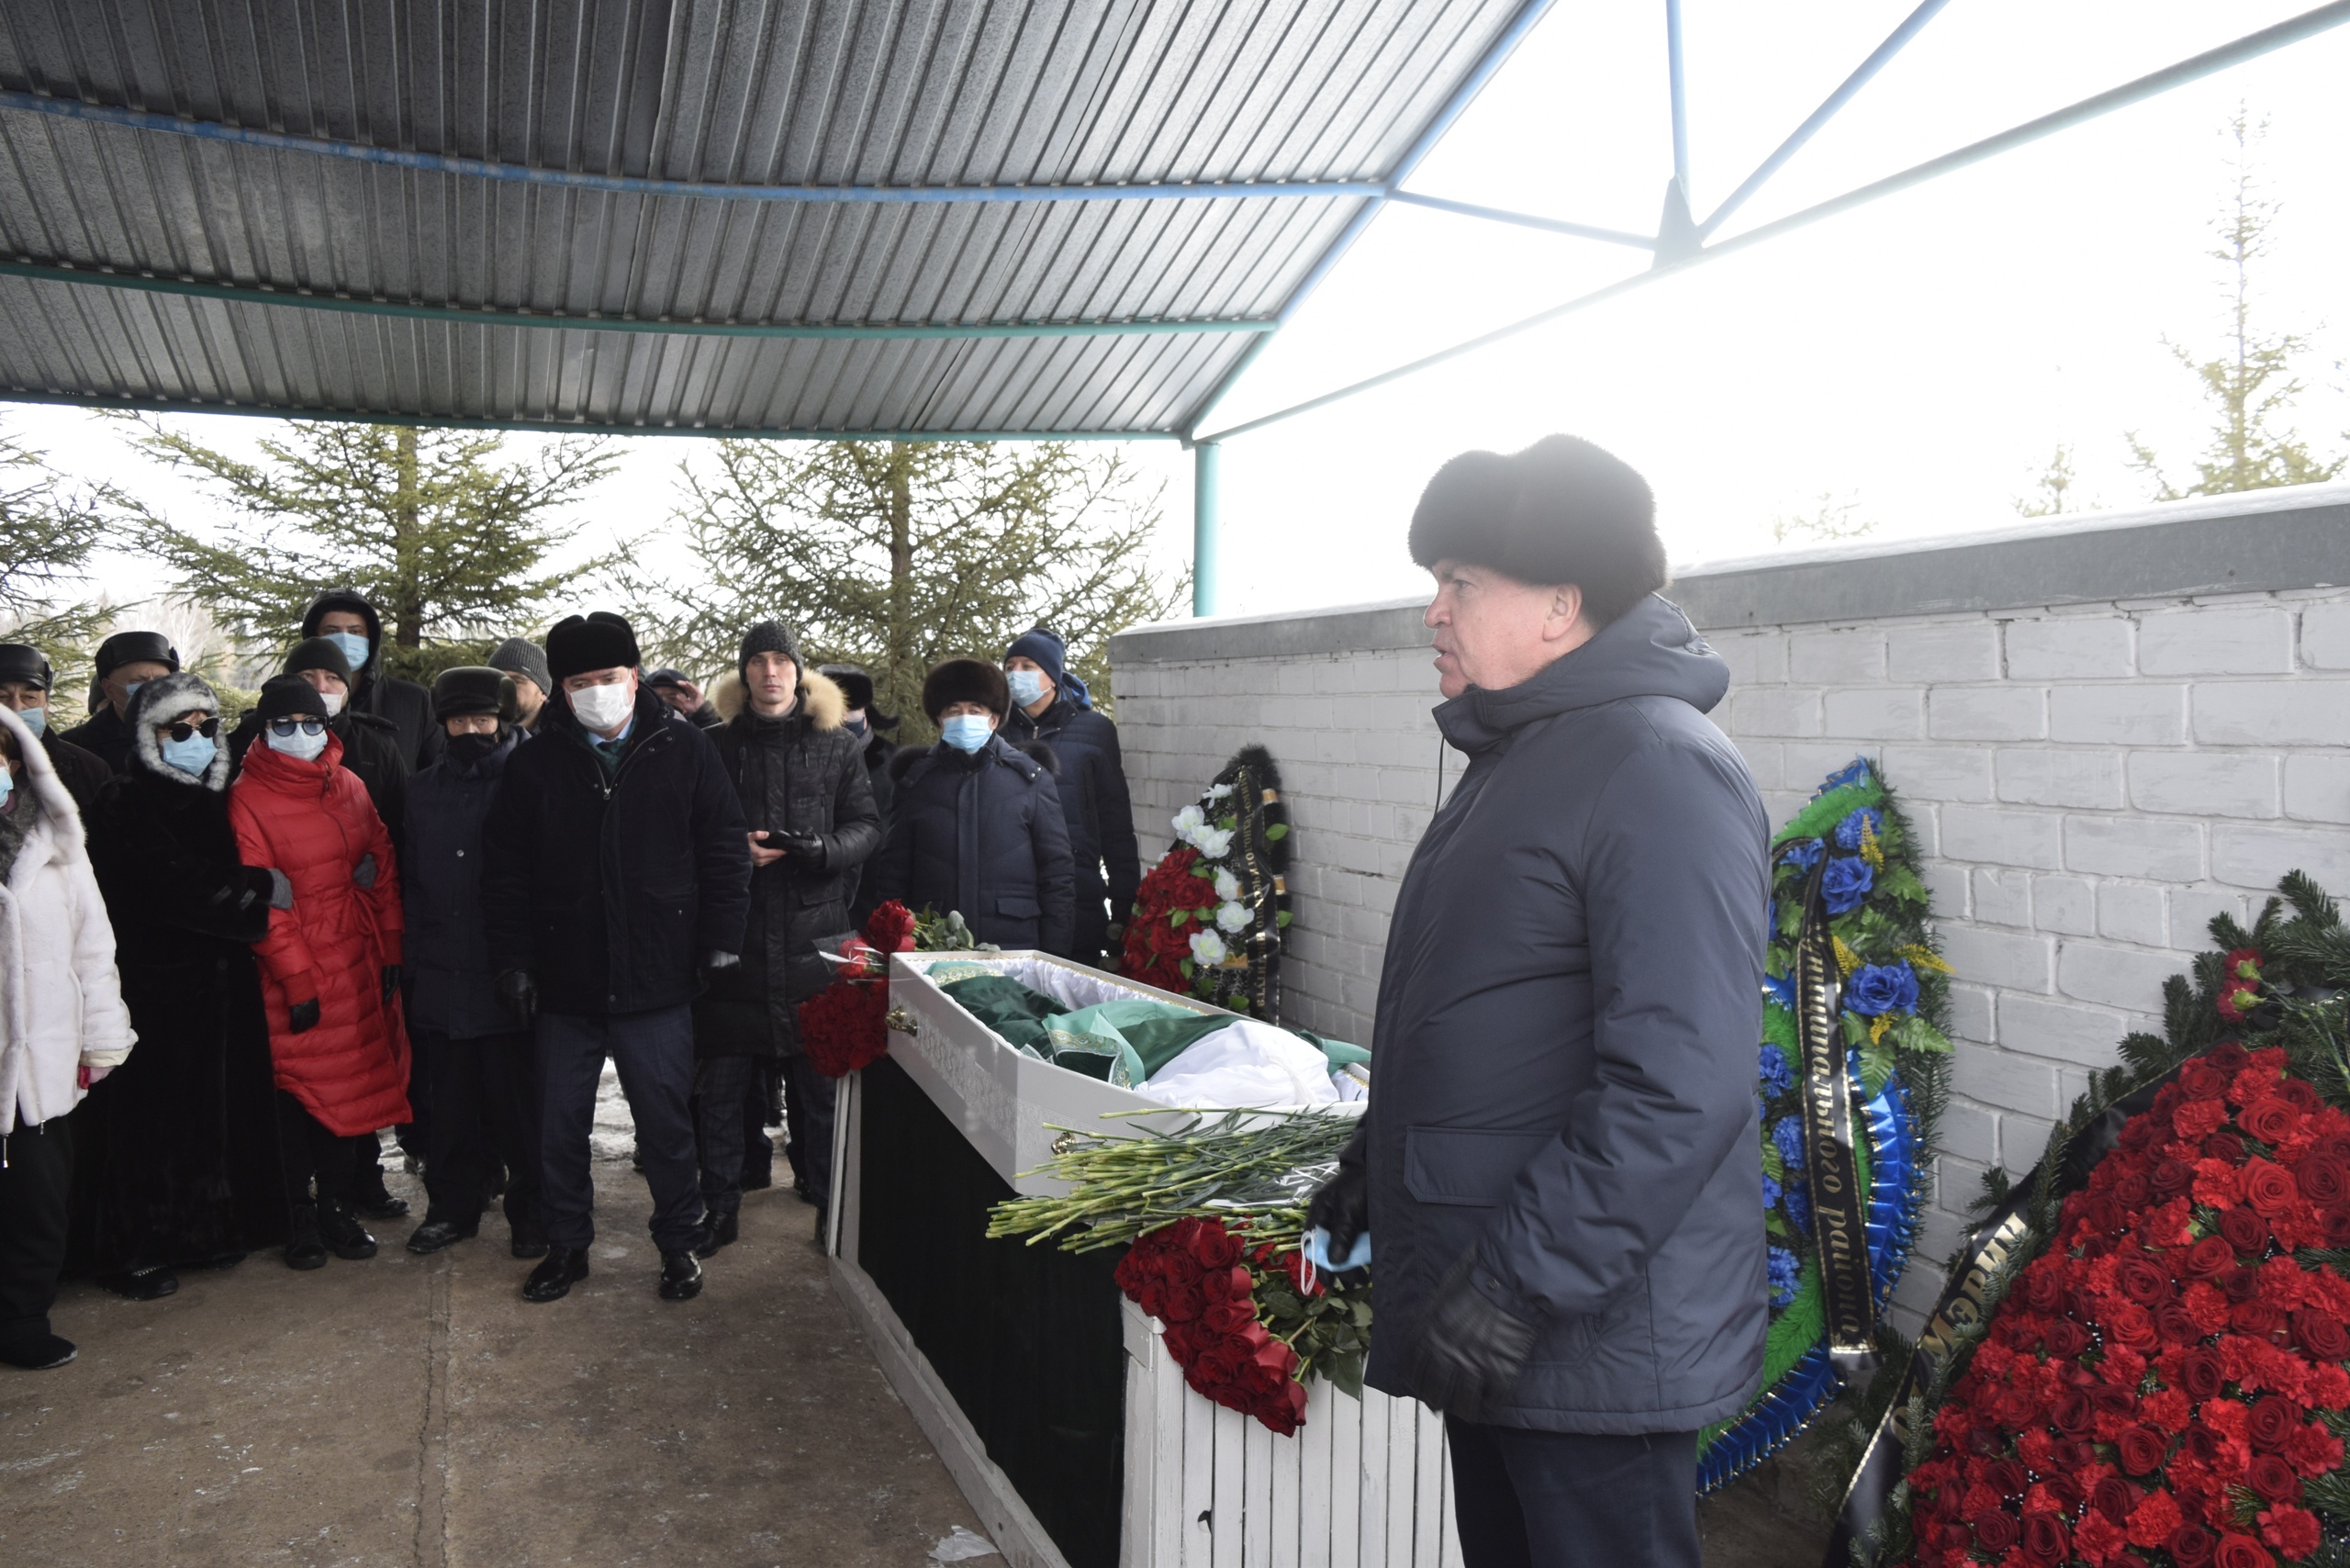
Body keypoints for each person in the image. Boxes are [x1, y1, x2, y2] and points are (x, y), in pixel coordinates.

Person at [1304, 436, 1767, 1568]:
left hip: (1586, 1333)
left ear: (1561, 604)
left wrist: (1517, 1284)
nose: (1433, 612)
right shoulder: (1523, 759)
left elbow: (1678, 1083)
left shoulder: (1657, 767)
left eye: (1459, 582)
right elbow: (1482, 1016)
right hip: (1504, 1306)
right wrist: (1373, 1165)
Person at [480, 612, 750, 1305]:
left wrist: (721, 937)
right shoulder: (535, 763)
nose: (597, 691)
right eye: (580, 682)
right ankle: (567, 1246)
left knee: (664, 1124)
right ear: (561, 691)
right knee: (558, 1126)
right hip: (564, 978)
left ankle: (679, 1245)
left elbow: (723, 848)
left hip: (658, 974)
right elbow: (505, 872)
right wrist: (514, 961)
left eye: (609, 676)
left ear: (634, 676)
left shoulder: (685, 749)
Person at [78, 674, 288, 1300]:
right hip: (154, 986)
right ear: (149, 735)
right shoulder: (122, 800)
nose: (196, 739)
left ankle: (207, 1232)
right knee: (148, 1122)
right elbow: (168, 886)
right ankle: (132, 1249)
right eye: (179, 729)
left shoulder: (217, 796)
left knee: (214, 1114)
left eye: (205, 726)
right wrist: (255, 891)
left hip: (221, 985)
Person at [694, 623, 881, 1249]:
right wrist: (732, 850)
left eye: (782, 660)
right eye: (758, 661)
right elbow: (686, 826)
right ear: (743, 672)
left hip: (814, 946)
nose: (770, 672)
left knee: (821, 1097)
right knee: (720, 1096)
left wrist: (817, 849)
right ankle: (719, 1210)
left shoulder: (836, 744)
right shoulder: (713, 744)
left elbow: (865, 827)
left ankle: (830, 1209)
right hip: (734, 945)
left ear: (798, 672)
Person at [229, 676, 412, 1270]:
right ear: (264, 730)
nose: (299, 734)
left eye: (311, 723)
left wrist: (390, 951)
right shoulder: (246, 798)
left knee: (349, 1099)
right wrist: (298, 982)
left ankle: (336, 1206)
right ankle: (296, 1217)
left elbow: (381, 866)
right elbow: (266, 905)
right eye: (284, 725)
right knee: (295, 1101)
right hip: (292, 976)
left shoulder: (349, 785)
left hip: (357, 966)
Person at [0, 705, 136, 1372]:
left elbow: (93, 946)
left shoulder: (57, 845)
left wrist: (102, 1036)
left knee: (38, 1202)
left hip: (42, 1059)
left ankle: (23, 1319)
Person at [401, 668, 544, 1259]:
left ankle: (533, 1214)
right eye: (457, 720)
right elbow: (411, 882)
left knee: (521, 1112)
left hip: (510, 975)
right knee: (450, 1109)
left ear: (502, 720)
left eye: (482, 720)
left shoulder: (532, 780)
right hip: (442, 974)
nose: (469, 731)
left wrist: (534, 964)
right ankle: (452, 1208)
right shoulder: (421, 791)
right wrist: (411, 963)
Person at [871, 659, 1075, 955]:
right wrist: (892, 947)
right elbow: (893, 875)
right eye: (954, 711)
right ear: (940, 719)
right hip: (934, 947)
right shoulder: (915, 783)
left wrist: (1054, 955)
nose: (964, 718)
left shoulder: (1030, 780)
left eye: (975, 711)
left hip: (1014, 946)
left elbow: (1057, 875)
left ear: (994, 719)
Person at [1000, 628, 1139, 967]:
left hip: (1079, 891)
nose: (1016, 674)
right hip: (1010, 891)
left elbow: (1115, 821)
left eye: (1028, 666)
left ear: (1053, 675)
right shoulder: (995, 731)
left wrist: (1125, 903)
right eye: (1010, 666)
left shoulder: (1095, 730)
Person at [298, 589, 441, 771]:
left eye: (355, 632)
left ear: (370, 639)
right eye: (332, 631)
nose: (345, 639)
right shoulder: (292, 703)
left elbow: (439, 774)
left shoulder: (415, 701)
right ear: (313, 638)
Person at [0, 643, 111, 816]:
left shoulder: (88, 769)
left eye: (29, 697)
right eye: (2, 697)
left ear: (46, 704)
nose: (16, 708)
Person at [62, 630, 180, 774]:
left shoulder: (195, 733)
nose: (153, 689)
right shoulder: (74, 750)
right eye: (138, 682)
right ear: (109, 689)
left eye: (161, 680)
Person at [487, 638, 553, 734]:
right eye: (496, 681)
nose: (503, 690)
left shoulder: (568, 733)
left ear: (543, 693)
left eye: (516, 681)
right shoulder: (473, 729)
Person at [646, 669, 722, 732]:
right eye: (656, 698)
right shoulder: (641, 730)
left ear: (687, 701)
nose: (664, 703)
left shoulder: (696, 732)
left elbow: (715, 742)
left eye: (672, 698)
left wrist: (703, 712)